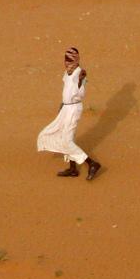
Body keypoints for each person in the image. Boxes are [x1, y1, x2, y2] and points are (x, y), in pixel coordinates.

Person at [36, 47, 102, 180]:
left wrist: (80, 82)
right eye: (66, 59)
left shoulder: (80, 73)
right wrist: (62, 105)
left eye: (70, 59)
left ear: (76, 59)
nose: (67, 62)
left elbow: (80, 93)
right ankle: (73, 169)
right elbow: (66, 90)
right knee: (66, 137)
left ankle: (92, 163)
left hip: (73, 109)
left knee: (66, 140)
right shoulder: (67, 73)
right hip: (66, 108)